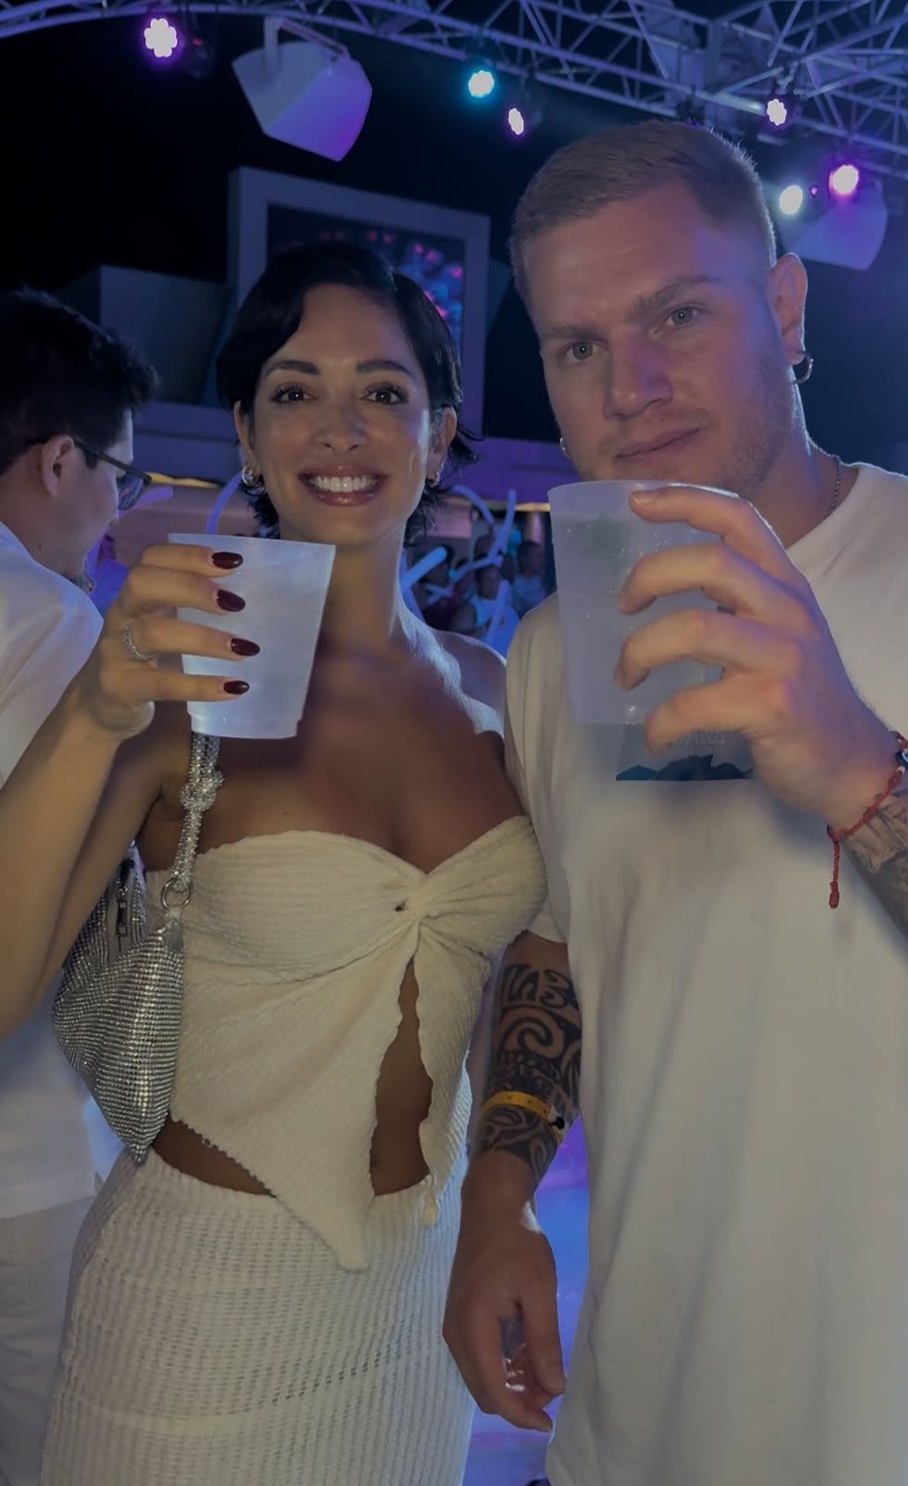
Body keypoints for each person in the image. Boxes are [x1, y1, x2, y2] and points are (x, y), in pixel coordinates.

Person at [444, 120, 908, 1486]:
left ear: (787, 307)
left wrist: (860, 770)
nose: (630, 385)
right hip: (628, 1426)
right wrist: (499, 1192)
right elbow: (568, 939)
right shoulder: (553, 650)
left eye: (678, 315)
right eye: (577, 346)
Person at [0, 244, 545, 1485]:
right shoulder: (176, 689)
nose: (340, 427)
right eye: (296, 390)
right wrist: (93, 708)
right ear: (246, 433)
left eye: (384, 391)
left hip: (417, 1312)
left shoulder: (494, 695)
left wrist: (504, 1199)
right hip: (193, 1326)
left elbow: (530, 972)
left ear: (439, 433)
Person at [0, 288, 156, 1486]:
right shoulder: (52, 623)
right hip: (25, 1157)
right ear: (62, 460)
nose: (118, 511)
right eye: (120, 476)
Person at [451, 560, 519, 657]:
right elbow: (456, 643)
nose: (494, 583)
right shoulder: (471, 609)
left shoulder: (509, 608)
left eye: (497, 578)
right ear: (479, 583)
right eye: (488, 579)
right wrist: (484, 628)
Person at [510, 537, 548, 617]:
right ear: (523, 559)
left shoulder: (539, 580)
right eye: (536, 556)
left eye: (540, 556)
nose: (540, 560)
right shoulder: (515, 585)